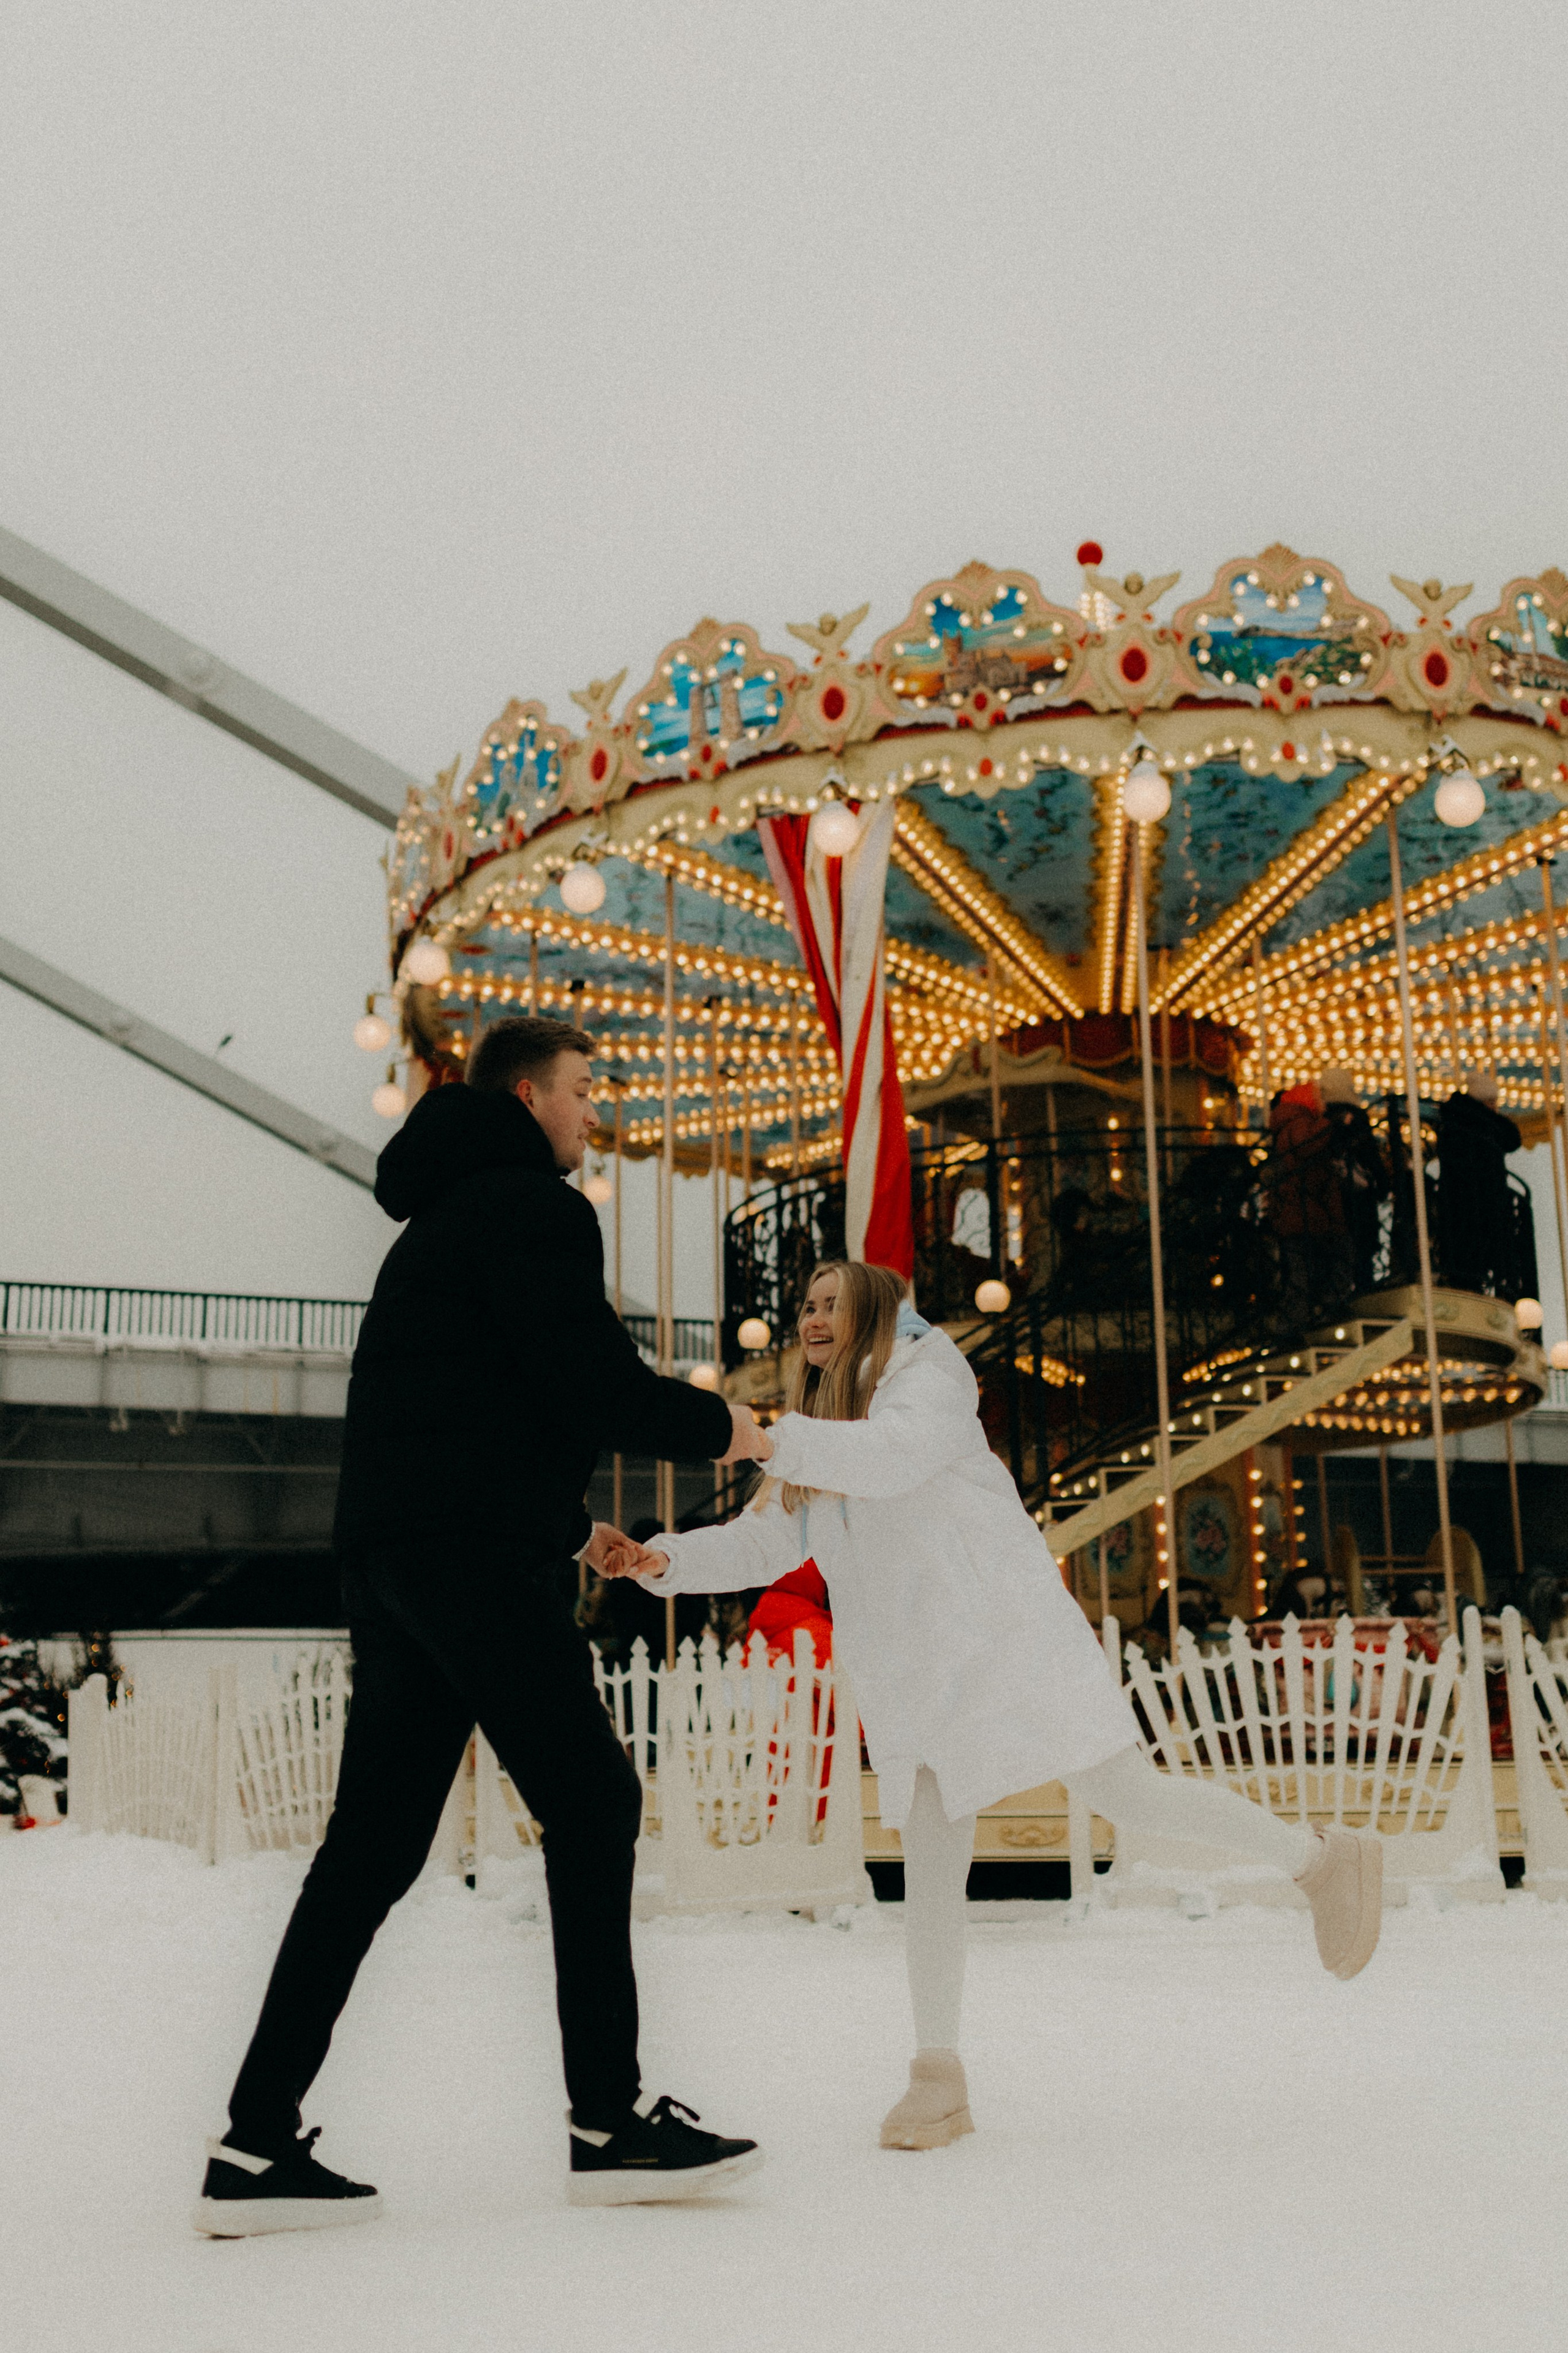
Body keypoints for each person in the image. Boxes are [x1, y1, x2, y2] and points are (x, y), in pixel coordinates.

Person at [605, 1263, 1385, 2155]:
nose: (814, 1318)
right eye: (806, 1306)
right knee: (933, 1854)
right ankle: (936, 2075)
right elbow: (771, 1537)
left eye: (832, 1302)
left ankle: (1321, 1862)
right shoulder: (821, 1435)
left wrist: (771, 1439)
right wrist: (665, 1562)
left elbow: (893, 1460)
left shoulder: (925, 1379)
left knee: (1126, 1793)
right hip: (917, 1671)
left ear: (873, 1311)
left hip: (1002, 1639)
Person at [194, 1018, 763, 2237]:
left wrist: (568, 1534)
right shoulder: (534, 1208)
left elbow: (469, 1416)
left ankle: (253, 2142)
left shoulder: (430, 1230)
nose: (590, 1111)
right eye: (579, 1089)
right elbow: (591, 1387)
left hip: (393, 1559)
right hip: (470, 1564)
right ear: (523, 1094)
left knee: (372, 1847)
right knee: (594, 1800)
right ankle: (606, 2122)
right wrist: (733, 1431)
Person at [1436, 1069, 1523, 1296]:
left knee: (1469, 1254)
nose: (1495, 1106)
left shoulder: (1458, 1120)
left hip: (1464, 1203)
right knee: (1480, 1250)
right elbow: (1512, 1139)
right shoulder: (1480, 1125)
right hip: (1480, 1201)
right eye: (1492, 1102)